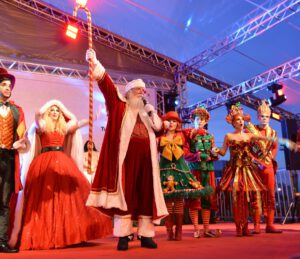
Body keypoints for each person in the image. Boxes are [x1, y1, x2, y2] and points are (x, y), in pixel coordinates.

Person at [85, 49, 168, 251]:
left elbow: (159, 128)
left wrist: (152, 112)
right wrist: (95, 61)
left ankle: (146, 234)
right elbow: (107, 85)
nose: (142, 92)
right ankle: (124, 235)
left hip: (147, 161)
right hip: (126, 161)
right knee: (126, 196)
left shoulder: (147, 112)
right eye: (138, 90)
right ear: (129, 92)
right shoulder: (119, 106)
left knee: (146, 195)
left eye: (143, 90)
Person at [9, 100, 112, 250]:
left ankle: (66, 236)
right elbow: (38, 114)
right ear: (48, 113)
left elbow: (76, 122)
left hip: (63, 162)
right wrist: (50, 104)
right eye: (52, 110)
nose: (55, 112)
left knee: (70, 195)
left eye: (58, 110)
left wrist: (93, 119)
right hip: (44, 162)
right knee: (44, 198)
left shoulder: (64, 127)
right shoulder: (42, 126)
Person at [215, 103, 266, 237]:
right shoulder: (228, 136)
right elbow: (223, 152)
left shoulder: (249, 136)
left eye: (242, 119)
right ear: (233, 122)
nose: (240, 121)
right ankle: (239, 226)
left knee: (248, 198)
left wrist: (250, 126)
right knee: (237, 198)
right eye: (238, 119)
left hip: (247, 170)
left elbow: (262, 138)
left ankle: (246, 227)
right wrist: (214, 150)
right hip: (235, 169)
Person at [158, 111, 208, 241]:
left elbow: (197, 132)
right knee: (168, 201)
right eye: (169, 121)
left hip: (181, 171)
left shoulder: (183, 134)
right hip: (164, 171)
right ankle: (169, 230)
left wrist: (199, 122)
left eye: (174, 121)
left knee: (179, 200)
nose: (171, 123)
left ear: (178, 123)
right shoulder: (159, 137)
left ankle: (179, 230)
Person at [0, 68, 29, 253]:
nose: (8, 88)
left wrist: (22, 143)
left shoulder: (17, 110)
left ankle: (1, 241)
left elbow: (23, 138)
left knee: (4, 201)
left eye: (9, 85)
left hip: (8, 159)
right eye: (3, 85)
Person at [246, 100, 282, 234]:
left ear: (270, 117)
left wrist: (270, 158)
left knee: (270, 195)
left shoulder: (273, 132)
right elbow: (247, 148)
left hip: (268, 166)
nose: (264, 119)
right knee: (256, 195)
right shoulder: (251, 130)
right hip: (255, 167)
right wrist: (256, 161)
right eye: (262, 116)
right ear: (258, 117)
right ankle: (256, 224)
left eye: (267, 116)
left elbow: (274, 147)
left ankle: (270, 224)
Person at [184, 107, 220, 238]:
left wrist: (214, 155)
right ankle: (196, 229)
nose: (200, 121)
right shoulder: (189, 135)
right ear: (193, 120)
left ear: (205, 122)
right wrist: (198, 156)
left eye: (202, 119)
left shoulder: (210, 136)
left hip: (208, 170)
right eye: (198, 119)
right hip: (194, 170)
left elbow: (214, 154)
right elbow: (185, 154)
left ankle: (206, 229)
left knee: (207, 200)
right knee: (194, 199)